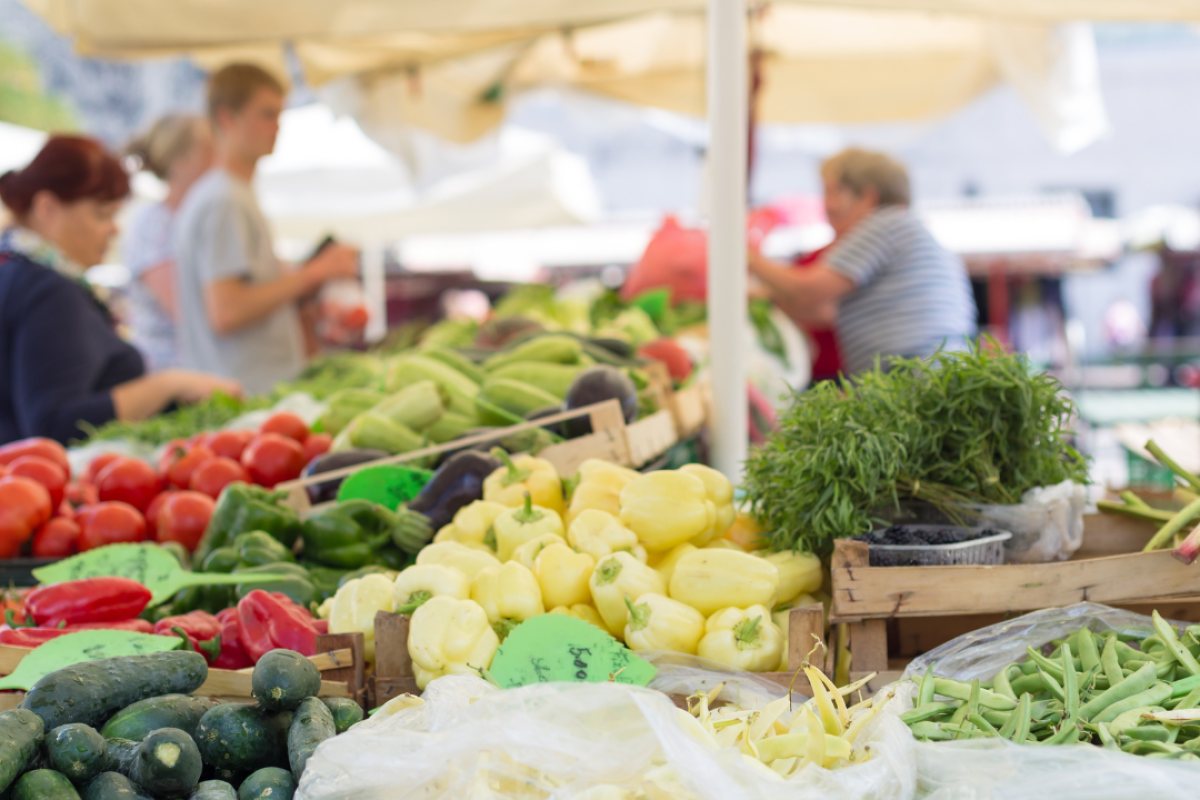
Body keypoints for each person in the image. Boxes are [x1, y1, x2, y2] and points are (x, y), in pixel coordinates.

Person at [0, 136, 240, 445]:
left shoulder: (16, 273)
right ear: (47, 208)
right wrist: (171, 384)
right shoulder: (49, 291)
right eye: (102, 214)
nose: (115, 228)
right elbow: (55, 425)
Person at [173, 63, 359, 394]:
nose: (278, 127)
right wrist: (312, 274)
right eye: (267, 114)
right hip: (248, 394)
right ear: (228, 119)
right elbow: (227, 311)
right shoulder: (225, 200)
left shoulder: (229, 194)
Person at [748, 148, 977, 376]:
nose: (827, 206)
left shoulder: (884, 225)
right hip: (937, 372)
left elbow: (807, 291)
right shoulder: (911, 233)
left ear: (868, 197)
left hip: (913, 374)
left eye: (833, 193)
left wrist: (746, 256)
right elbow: (825, 311)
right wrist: (765, 295)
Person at [122, 115, 214, 371]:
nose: (218, 156)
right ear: (180, 160)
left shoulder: (195, 219)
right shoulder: (153, 224)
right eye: (209, 148)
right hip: (170, 373)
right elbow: (186, 309)